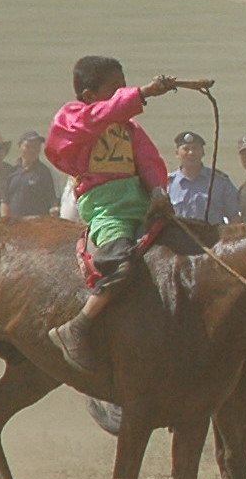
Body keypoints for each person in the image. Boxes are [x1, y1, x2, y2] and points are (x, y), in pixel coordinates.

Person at [44, 55, 178, 375]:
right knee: (121, 260)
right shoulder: (73, 118)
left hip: (141, 202)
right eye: (116, 88)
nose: (123, 93)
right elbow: (97, 118)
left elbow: (149, 161)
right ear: (90, 95)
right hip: (105, 207)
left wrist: (159, 192)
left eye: (125, 87)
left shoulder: (129, 128)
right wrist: (142, 93)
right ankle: (78, 325)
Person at [167, 131, 241, 224]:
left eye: (195, 148)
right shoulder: (168, 184)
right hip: (179, 237)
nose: (191, 153)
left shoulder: (220, 182)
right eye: (186, 149)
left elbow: (234, 217)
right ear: (177, 153)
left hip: (212, 237)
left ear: (202, 152)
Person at [3, 130, 60, 217]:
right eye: (28, 146)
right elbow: (5, 200)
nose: (33, 150)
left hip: (37, 225)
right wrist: (5, 221)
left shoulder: (45, 172)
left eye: (36, 146)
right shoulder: (11, 172)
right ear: (20, 147)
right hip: (15, 225)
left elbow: (54, 200)